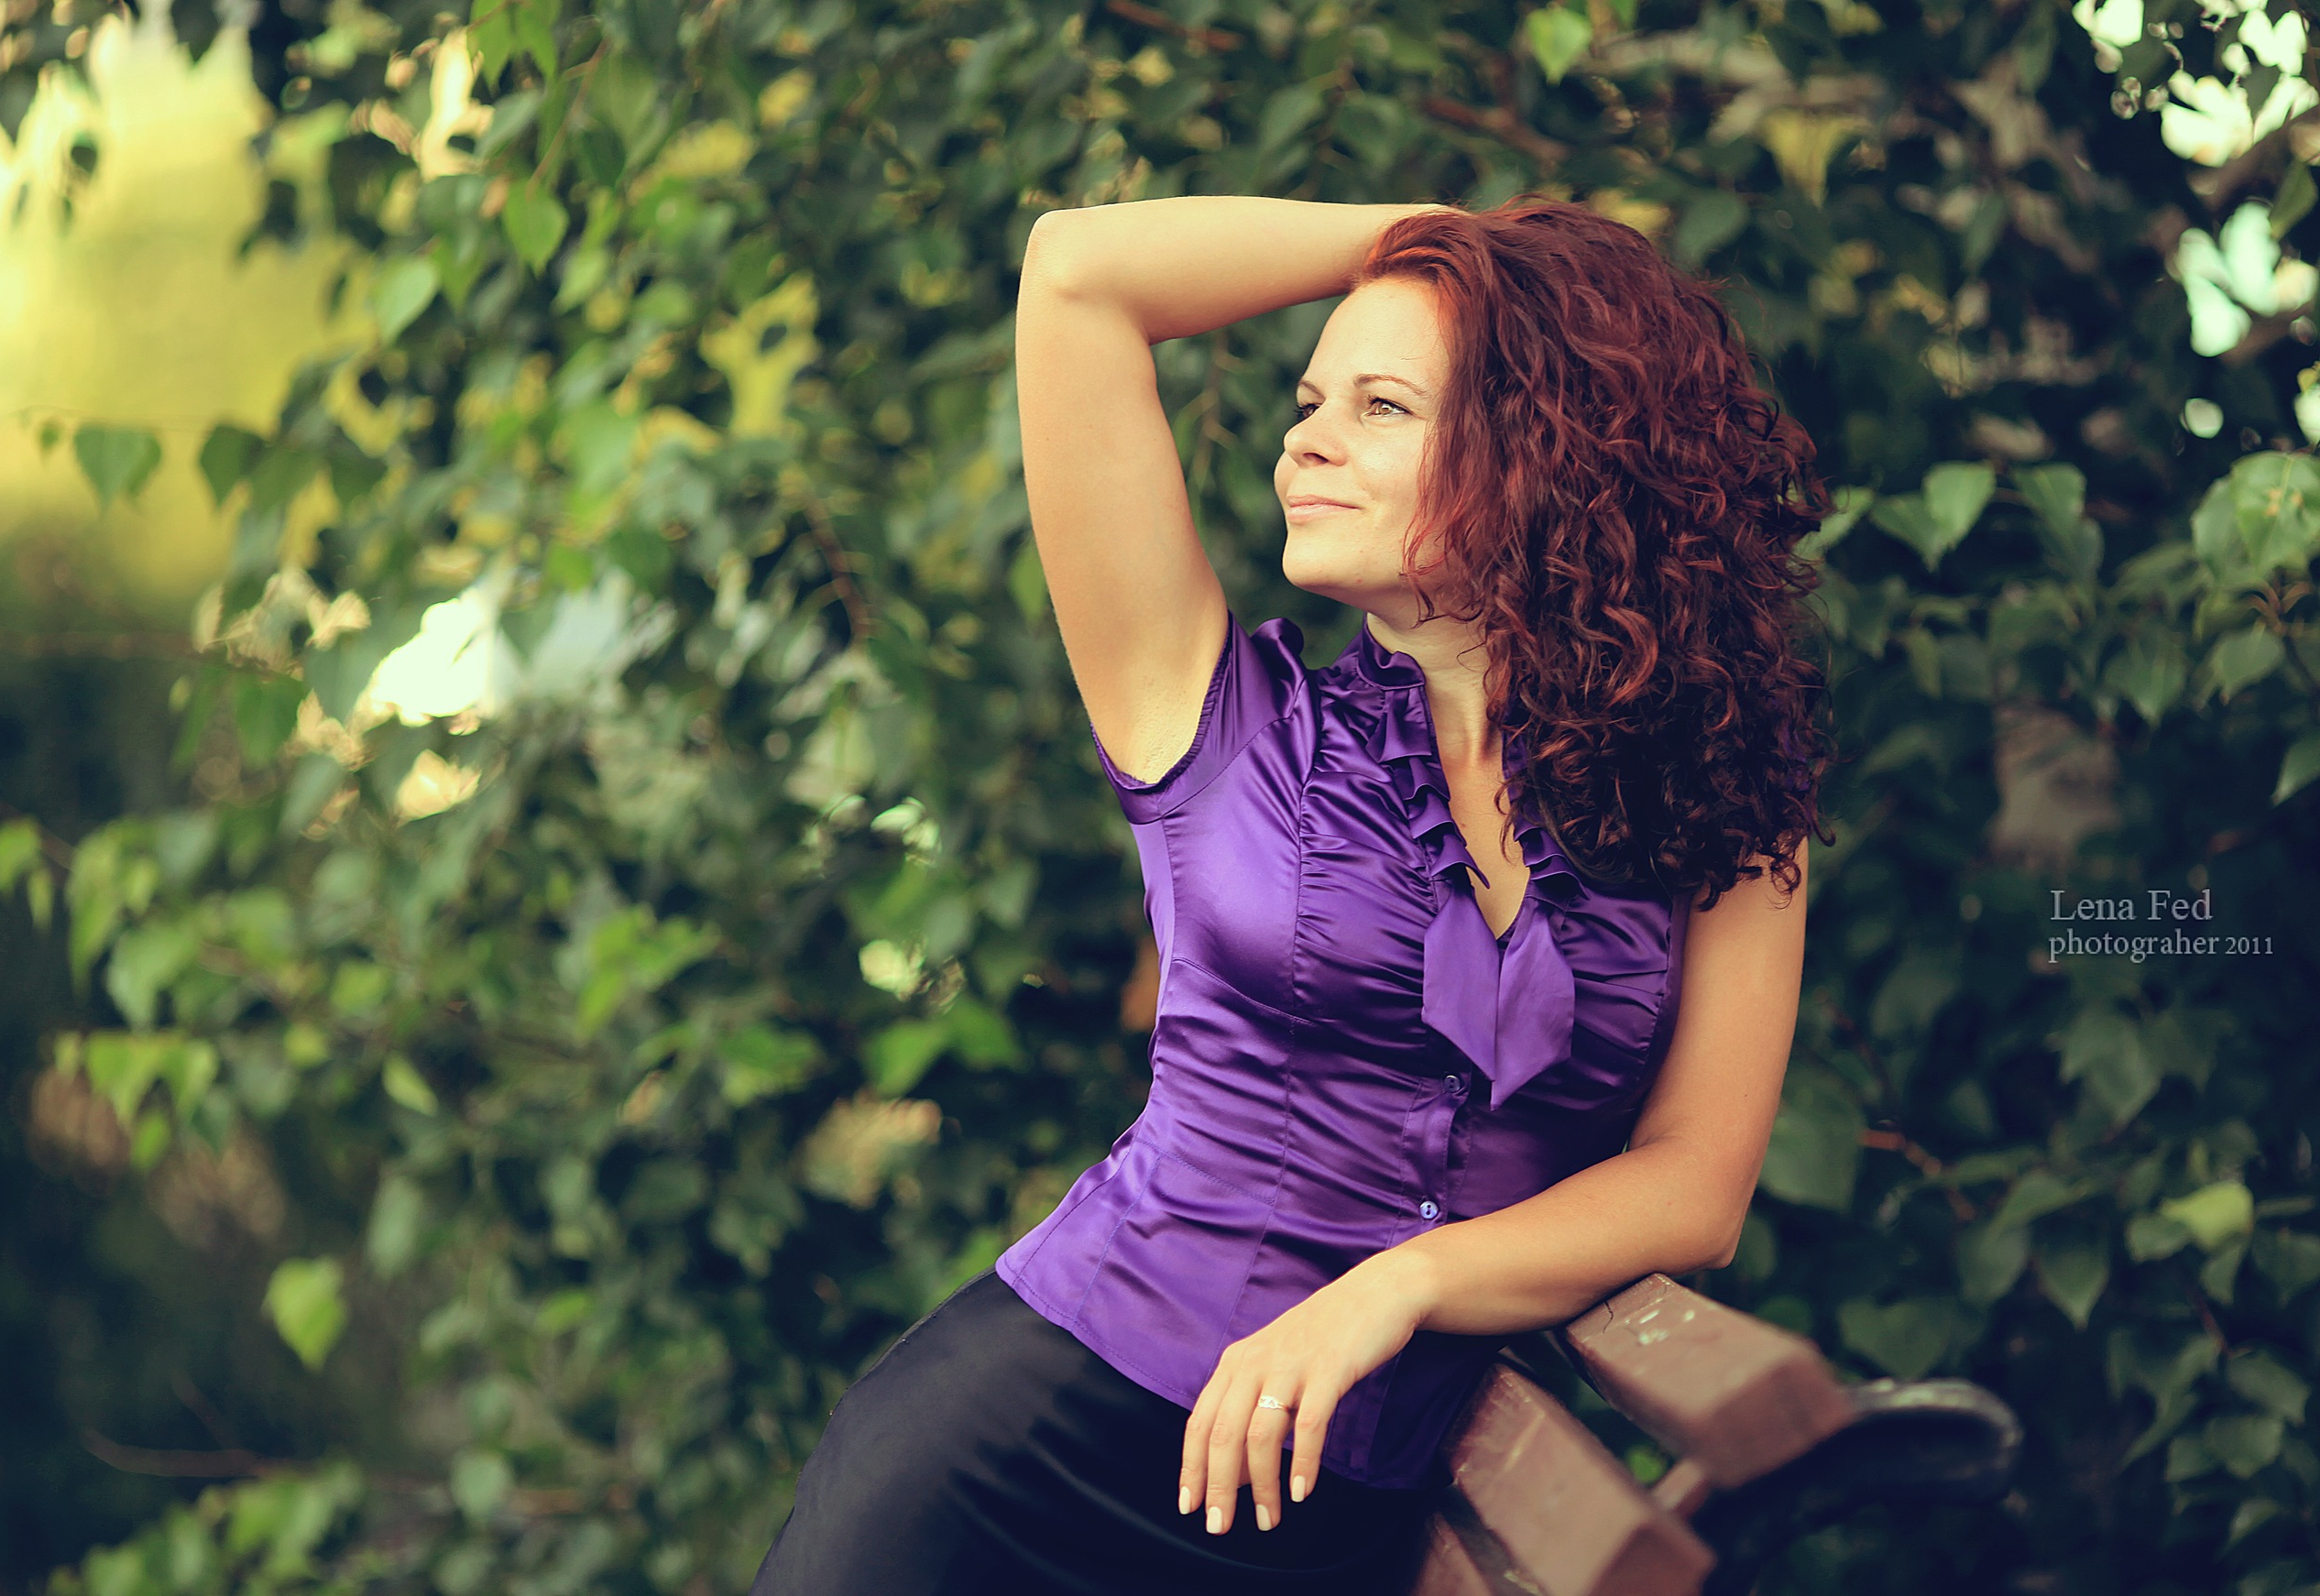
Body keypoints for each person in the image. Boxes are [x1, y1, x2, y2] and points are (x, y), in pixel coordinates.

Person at [749, 192, 1827, 1595]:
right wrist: (1463, 241)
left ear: (1547, 445)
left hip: (1325, 1527)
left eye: (1381, 406)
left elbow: (1696, 1183)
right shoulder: (1219, 726)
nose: (1303, 441)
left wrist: (1402, 1284)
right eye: (1309, 402)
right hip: (1011, 1471)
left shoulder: (1716, 785)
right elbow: (1077, 273)